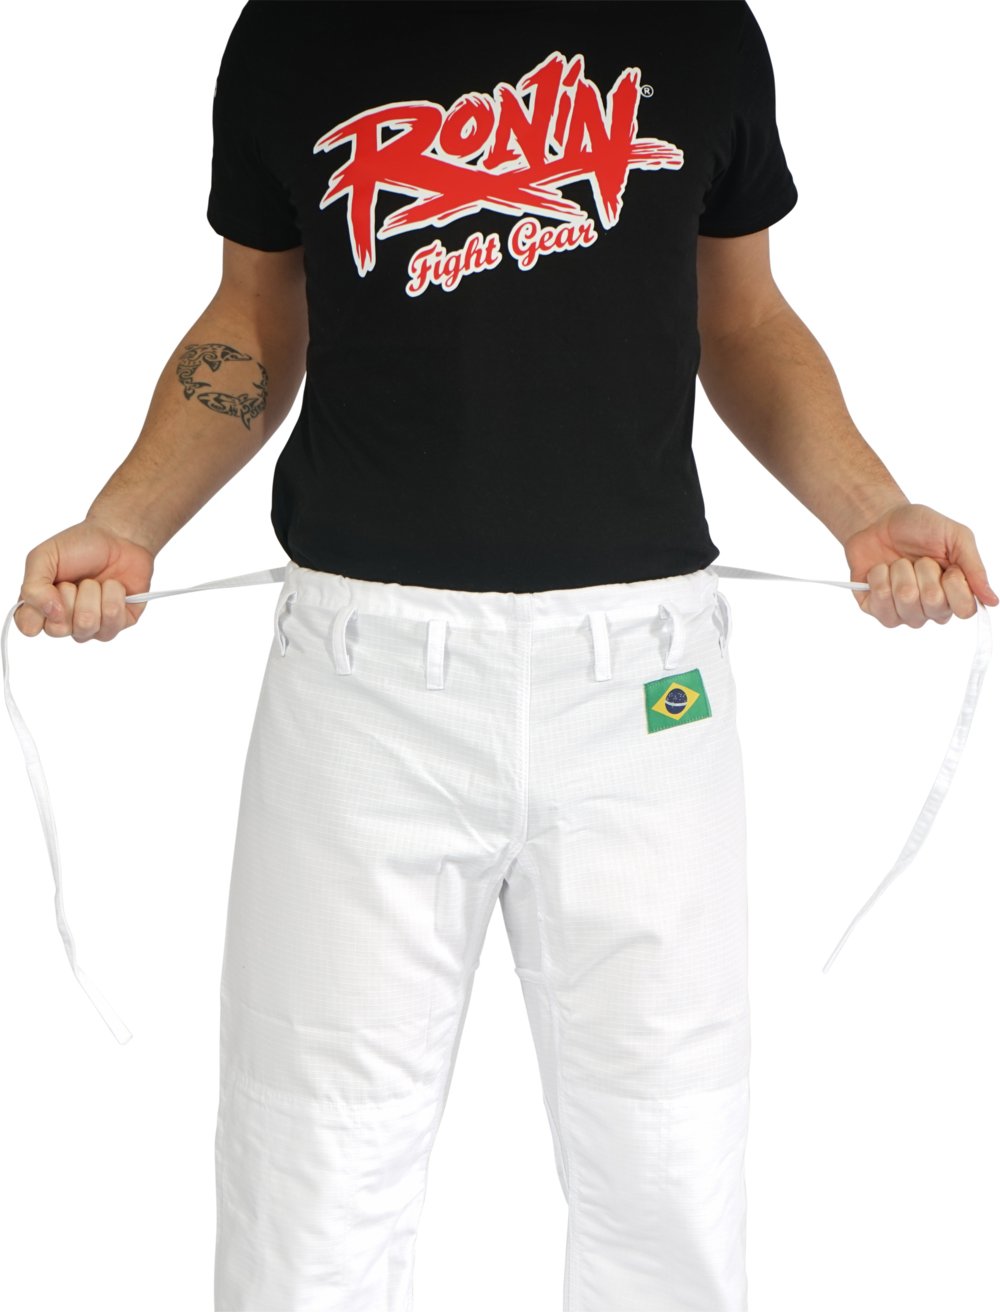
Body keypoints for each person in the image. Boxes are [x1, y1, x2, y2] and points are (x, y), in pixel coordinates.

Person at [12, 2, 996, 1309]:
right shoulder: (297, 29)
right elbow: (254, 317)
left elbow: (745, 318)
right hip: (361, 685)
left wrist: (871, 511)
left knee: (670, 1165)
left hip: (642, 685)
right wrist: (127, 520)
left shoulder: (699, 25)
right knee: (311, 1179)